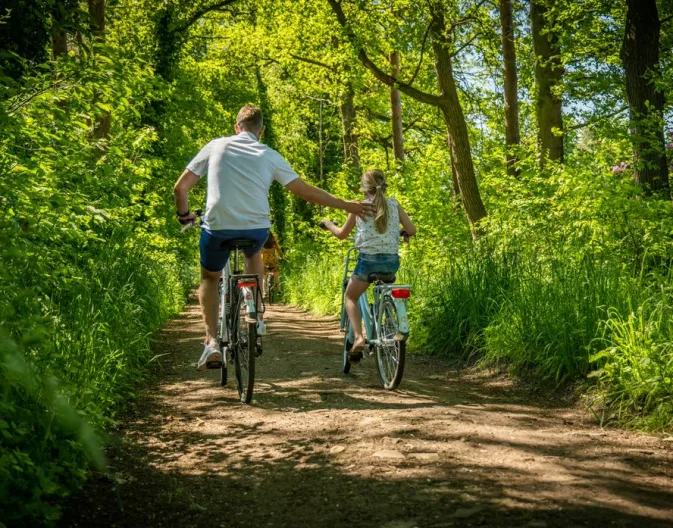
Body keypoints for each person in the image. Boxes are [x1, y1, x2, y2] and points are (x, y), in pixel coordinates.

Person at [174, 105, 375, 371]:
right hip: (257, 229)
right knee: (252, 253)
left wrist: (184, 214)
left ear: (236, 127)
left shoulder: (215, 146)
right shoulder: (269, 154)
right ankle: (255, 310)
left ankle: (211, 342)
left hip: (218, 227)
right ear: (261, 131)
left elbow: (181, 188)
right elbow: (305, 191)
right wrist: (346, 205)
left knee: (210, 277)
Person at [320, 169, 416, 361]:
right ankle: (387, 320)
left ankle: (358, 337)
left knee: (351, 296)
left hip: (368, 262)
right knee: (379, 287)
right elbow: (412, 230)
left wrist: (329, 224)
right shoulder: (394, 204)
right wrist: (400, 232)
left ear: (364, 188)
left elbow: (342, 234)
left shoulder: (359, 207)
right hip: (391, 263)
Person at [261, 231, 282, 297]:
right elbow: (279, 250)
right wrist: (281, 257)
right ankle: (279, 291)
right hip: (273, 262)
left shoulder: (262, 243)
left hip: (264, 262)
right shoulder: (274, 243)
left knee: (264, 278)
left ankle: (264, 293)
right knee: (276, 277)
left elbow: (258, 252)